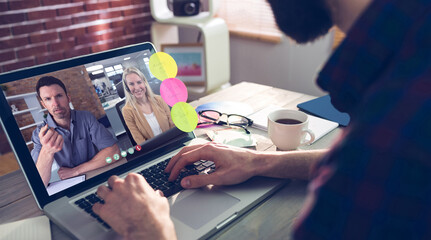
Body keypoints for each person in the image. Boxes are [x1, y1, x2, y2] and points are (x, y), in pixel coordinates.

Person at [93, 0, 431, 239]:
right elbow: (357, 164)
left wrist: (152, 234)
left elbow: (372, 161)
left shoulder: (392, 130)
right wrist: (257, 161)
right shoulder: (412, 55)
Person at [31, 76, 120, 187]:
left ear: (68, 98)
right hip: (72, 184)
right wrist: (47, 151)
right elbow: (38, 184)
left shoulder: (86, 117)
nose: (55, 103)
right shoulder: (40, 134)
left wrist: (75, 171)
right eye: (48, 99)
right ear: (44, 104)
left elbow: (114, 152)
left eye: (59, 96)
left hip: (98, 173)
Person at [121, 67, 174, 145]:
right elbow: (139, 140)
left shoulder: (159, 100)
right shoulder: (127, 110)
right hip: (154, 150)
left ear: (144, 83)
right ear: (127, 88)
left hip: (172, 142)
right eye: (131, 84)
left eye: (139, 82)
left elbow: (173, 125)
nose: (136, 87)